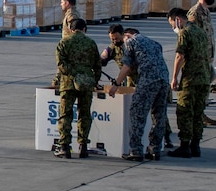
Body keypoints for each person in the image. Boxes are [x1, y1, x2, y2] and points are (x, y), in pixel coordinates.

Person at [105, 24, 170, 161]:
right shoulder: (154, 43)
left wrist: (116, 85)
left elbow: (127, 67)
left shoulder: (130, 41)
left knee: (137, 114)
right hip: (164, 80)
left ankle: (135, 151)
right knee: (159, 115)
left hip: (147, 80)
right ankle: (155, 149)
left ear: (126, 35)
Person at [53, 17, 101, 158]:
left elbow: (61, 64)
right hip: (86, 83)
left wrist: (73, 74)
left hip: (68, 84)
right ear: (84, 29)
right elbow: (97, 65)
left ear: (70, 29)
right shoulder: (91, 43)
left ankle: (64, 147)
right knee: (85, 114)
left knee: (65, 115)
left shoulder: (64, 43)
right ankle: (83, 146)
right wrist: (93, 80)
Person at [170, 6, 212, 158]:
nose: (173, 27)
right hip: (204, 78)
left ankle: (184, 146)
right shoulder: (200, 31)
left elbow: (179, 56)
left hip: (190, 79)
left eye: (172, 24)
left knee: (185, 111)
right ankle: (196, 145)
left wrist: (174, 77)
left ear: (178, 19)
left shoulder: (184, 32)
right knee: (198, 113)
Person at [188, 0, 216, 126]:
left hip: (207, 56)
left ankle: (201, 113)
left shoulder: (206, 12)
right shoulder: (195, 13)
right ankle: (197, 115)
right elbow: (191, 36)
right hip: (198, 57)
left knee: (210, 79)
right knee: (200, 86)